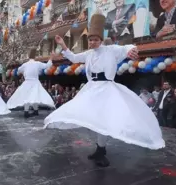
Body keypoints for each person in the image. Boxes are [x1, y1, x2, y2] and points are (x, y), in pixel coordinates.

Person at [43, 12, 165, 167]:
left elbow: (126, 47)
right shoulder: (88, 54)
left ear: (100, 40)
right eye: (90, 40)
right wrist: (62, 45)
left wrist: (131, 50)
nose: (92, 42)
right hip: (91, 88)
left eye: (95, 40)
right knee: (93, 118)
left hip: (106, 88)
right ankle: (100, 150)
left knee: (104, 119)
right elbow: (73, 58)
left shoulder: (111, 50)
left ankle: (101, 150)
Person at [7, 48, 55, 118]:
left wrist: (22, 72)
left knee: (28, 96)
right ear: (35, 56)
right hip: (35, 82)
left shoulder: (25, 64)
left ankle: (28, 111)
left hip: (27, 83)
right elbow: (47, 65)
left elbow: (19, 70)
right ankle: (34, 111)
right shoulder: (37, 64)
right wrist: (51, 58)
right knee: (34, 95)